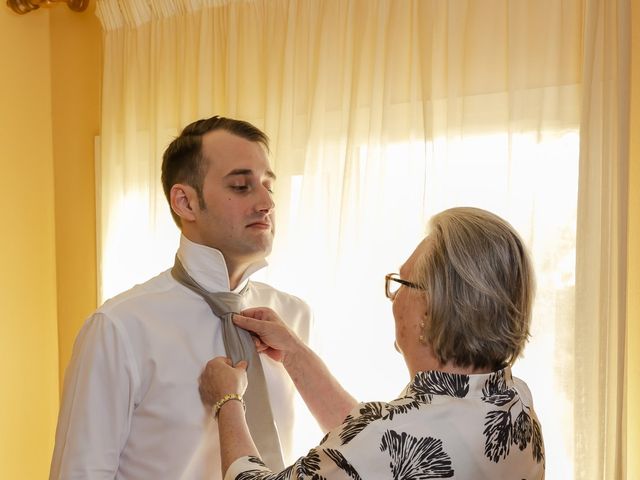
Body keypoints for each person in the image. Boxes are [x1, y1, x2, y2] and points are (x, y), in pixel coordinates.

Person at [49, 116, 312, 479]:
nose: (266, 201)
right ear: (185, 202)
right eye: (241, 186)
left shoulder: (292, 318)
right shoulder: (119, 329)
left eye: (268, 185)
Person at [199, 206, 545, 479]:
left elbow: (376, 448)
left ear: (431, 312)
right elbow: (373, 450)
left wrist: (226, 401)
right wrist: (294, 353)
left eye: (402, 283)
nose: (393, 298)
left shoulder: (389, 438)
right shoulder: (514, 402)